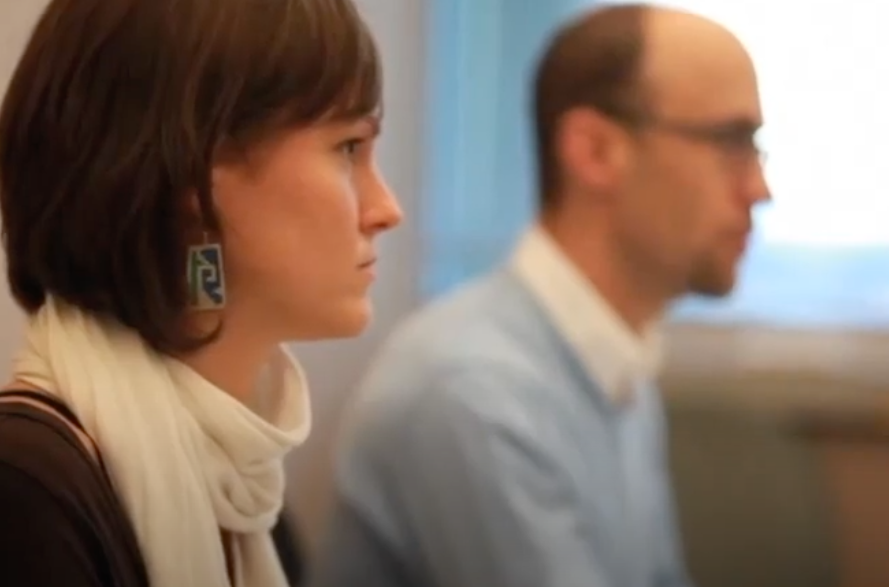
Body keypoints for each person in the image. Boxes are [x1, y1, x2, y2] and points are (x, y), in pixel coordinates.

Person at [0, 0, 401, 586]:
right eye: (349, 148)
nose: (387, 209)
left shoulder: (244, 487)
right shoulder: (5, 496)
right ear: (193, 175)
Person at [310, 4, 770, 587]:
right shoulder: (471, 395)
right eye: (731, 142)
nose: (759, 188)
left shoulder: (616, 362)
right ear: (595, 150)